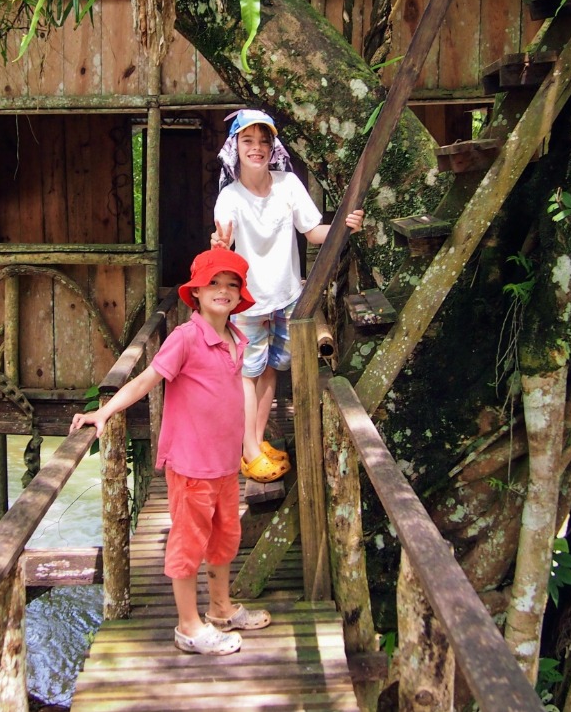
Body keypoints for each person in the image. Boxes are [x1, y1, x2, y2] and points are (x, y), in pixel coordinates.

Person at [69, 248, 273, 655]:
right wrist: (104, 411)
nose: (223, 290)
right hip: (192, 464)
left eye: (232, 285)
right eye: (213, 283)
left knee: (225, 537)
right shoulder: (185, 338)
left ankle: (220, 608)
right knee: (188, 544)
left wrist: (249, 445)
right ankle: (188, 626)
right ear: (194, 293)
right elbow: (146, 380)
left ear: (240, 297)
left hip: (225, 464)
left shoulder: (237, 337)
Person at [211, 109, 364, 484]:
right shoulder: (229, 196)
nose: (257, 148)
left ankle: (257, 443)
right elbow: (222, 243)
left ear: (272, 147)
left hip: (287, 297)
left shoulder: (289, 185)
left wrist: (345, 227)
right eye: (248, 141)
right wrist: (220, 243)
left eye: (264, 141)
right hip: (247, 302)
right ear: (235, 148)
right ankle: (248, 451)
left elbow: (313, 232)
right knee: (248, 373)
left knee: (271, 371)